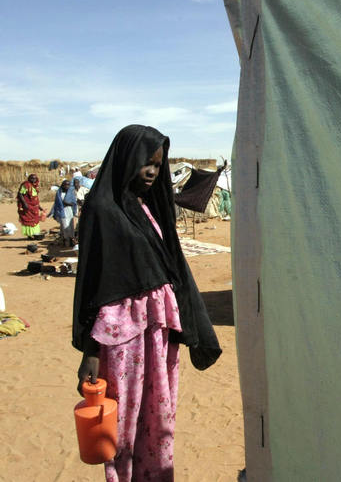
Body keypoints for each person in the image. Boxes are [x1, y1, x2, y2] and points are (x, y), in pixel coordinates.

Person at [73, 125, 221, 482]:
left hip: (158, 333)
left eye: (158, 164)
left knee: (158, 417)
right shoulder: (102, 209)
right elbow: (93, 281)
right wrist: (91, 352)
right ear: (127, 159)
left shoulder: (146, 207)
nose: (154, 172)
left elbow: (171, 262)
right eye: (146, 163)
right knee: (122, 425)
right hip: (122, 338)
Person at [49, 180, 78, 246]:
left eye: (68, 185)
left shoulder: (71, 193)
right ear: (62, 185)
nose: (66, 186)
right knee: (64, 226)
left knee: (70, 226)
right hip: (62, 211)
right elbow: (57, 203)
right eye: (65, 185)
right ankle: (65, 240)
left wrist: (67, 203)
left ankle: (71, 240)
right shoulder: (59, 193)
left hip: (69, 211)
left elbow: (74, 203)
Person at [16, 174, 44, 239]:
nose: (33, 180)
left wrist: (39, 207)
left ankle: (34, 233)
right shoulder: (26, 185)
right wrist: (25, 203)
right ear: (29, 178)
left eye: (34, 178)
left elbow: (35, 198)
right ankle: (30, 234)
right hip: (28, 206)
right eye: (31, 178)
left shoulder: (34, 186)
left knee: (35, 220)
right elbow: (20, 194)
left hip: (34, 207)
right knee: (29, 220)